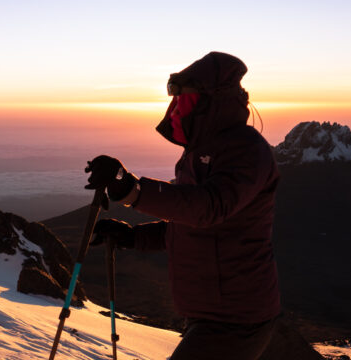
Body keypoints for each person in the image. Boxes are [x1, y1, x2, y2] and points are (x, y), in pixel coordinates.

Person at [85, 51, 281, 360]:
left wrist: (132, 189)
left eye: (182, 97)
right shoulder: (198, 153)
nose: (175, 108)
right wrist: (133, 237)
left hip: (236, 319)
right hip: (209, 315)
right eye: (173, 97)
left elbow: (209, 208)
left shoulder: (246, 150)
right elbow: (189, 223)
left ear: (209, 100)